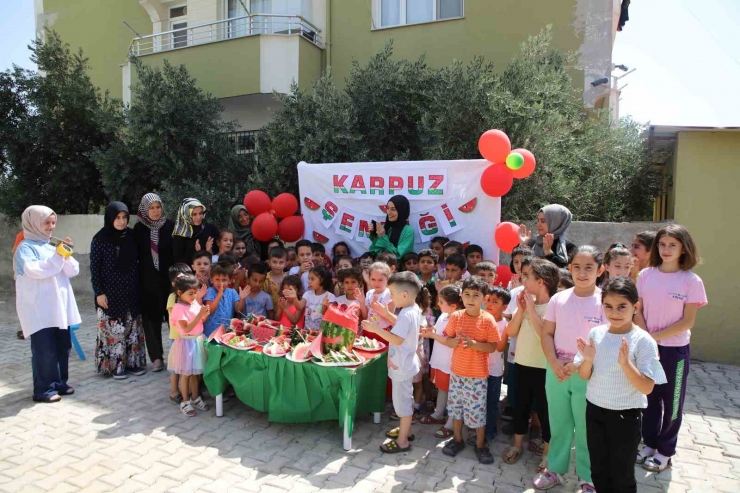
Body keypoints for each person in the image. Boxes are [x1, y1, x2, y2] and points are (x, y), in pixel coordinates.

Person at [575, 277, 667, 493]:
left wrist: (625, 364)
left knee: (621, 474)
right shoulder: (596, 334)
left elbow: (647, 388)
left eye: (622, 306)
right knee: (598, 468)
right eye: (608, 306)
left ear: (636, 306)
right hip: (595, 411)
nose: (614, 312)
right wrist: (587, 359)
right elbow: (583, 375)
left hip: (626, 416)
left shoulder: (644, 341)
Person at [634, 224, 707, 473]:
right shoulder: (645, 275)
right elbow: (638, 310)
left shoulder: (691, 281)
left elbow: (687, 321)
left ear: (684, 249)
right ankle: (649, 444)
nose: (666, 250)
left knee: (672, 402)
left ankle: (666, 451)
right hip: (648, 348)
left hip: (675, 351)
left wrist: (655, 337)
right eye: (662, 244)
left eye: (672, 245)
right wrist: (647, 338)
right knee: (650, 399)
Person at [536, 246, 606, 492]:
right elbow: (547, 333)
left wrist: (577, 364)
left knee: (586, 427)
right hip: (556, 371)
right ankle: (555, 469)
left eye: (589, 268)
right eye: (577, 267)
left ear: (601, 270)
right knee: (559, 423)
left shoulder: (604, 302)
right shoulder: (559, 299)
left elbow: (604, 341)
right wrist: (554, 363)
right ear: (570, 268)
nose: (582, 273)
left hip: (588, 373)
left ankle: (588, 477)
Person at [423, 276, 499, 464]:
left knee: (477, 413)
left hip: (477, 376)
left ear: (484, 298)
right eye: (467, 294)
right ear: (461, 296)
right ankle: (457, 440)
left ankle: (481, 445)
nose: (471, 299)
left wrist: (473, 344)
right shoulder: (456, 317)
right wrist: (451, 341)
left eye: (476, 295)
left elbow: (492, 347)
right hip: (456, 374)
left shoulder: (488, 320)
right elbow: (447, 339)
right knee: (456, 410)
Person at [15, 205, 81, 403]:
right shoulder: (25, 248)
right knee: (45, 350)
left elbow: (73, 270)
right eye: (46, 222)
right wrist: (58, 256)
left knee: (62, 347)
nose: (51, 226)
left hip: (59, 308)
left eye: (53, 223)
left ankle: (60, 383)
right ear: (33, 222)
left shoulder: (51, 245)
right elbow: (35, 270)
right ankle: (43, 390)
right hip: (39, 309)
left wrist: (65, 254)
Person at [502, 258, 558, 472]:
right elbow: (511, 332)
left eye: (527, 276)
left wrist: (532, 310)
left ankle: (547, 452)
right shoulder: (525, 302)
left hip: (545, 367)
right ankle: (517, 445)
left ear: (541, 281)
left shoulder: (554, 305)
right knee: (520, 407)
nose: (522, 279)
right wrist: (520, 310)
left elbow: (545, 334)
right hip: (522, 363)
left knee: (545, 412)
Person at [362, 272, 427, 454]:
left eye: (392, 293)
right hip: (405, 363)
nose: (390, 297)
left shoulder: (407, 314)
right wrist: (386, 313)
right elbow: (401, 326)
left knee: (403, 404)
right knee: (405, 400)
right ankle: (405, 429)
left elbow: (397, 339)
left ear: (404, 295)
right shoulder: (412, 310)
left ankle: (403, 441)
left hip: (402, 366)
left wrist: (376, 329)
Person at [91, 202, 146, 379]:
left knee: (132, 328)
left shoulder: (131, 236)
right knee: (114, 330)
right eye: (118, 218)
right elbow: (95, 268)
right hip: (110, 293)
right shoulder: (100, 239)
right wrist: (99, 292)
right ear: (110, 218)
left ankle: (132, 363)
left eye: (124, 218)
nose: (122, 222)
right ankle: (115, 366)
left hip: (131, 291)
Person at [134, 192, 175, 372]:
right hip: (147, 282)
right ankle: (157, 357)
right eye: (151, 208)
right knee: (151, 321)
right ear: (145, 209)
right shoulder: (138, 230)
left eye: (158, 207)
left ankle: (177, 356)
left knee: (174, 318)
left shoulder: (171, 227)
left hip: (169, 281)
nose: (156, 211)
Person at [421, 285, 462, 438]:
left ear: (453, 306)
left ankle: (451, 423)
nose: (438, 305)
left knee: (453, 393)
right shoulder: (444, 316)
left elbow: (451, 341)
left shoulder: (458, 319)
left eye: (442, 302)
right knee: (442, 389)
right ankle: (439, 413)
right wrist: (430, 331)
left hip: (450, 363)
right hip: (440, 361)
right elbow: (439, 333)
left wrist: (432, 336)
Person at [168, 274, 210, 416]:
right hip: (186, 343)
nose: (194, 296)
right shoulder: (179, 308)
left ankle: (195, 397)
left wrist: (205, 314)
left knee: (194, 374)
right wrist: (199, 316)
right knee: (186, 374)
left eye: (196, 292)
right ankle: (184, 402)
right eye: (190, 293)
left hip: (197, 341)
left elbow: (200, 321)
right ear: (180, 293)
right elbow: (186, 328)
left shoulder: (194, 303)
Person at [500, 245, 533, 424]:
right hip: (515, 343)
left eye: (524, 263)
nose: (520, 266)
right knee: (514, 377)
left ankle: (530, 415)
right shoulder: (513, 291)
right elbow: (507, 315)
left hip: (534, 349)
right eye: (517, 262)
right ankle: (514, 406)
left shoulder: (542, 291)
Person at [480, 285, 510, 445]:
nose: (489, 304)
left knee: (491, 402)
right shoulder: (480, 318)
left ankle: (489, 431)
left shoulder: (504, 325)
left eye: (495, 301)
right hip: (476, 369)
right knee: (478, 401)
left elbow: (499, 347)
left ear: (504, 307)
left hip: (493, 371)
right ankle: (477, 428)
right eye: (487, 300)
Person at [166, 263, 197, 403]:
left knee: (187, 366)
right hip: (177, 336)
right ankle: (174, 391)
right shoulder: (173, 298)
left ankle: (190, 392)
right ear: (174, 283)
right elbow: (177, 318)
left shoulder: (190, 297)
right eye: (181, 278)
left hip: (188, 337)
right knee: (176, 367)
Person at [284, 265, 335, 331]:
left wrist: (324, 306)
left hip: (321, 334)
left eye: (312, 279)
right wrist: (294, 298)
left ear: (322, 280)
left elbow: (328, 317)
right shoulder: (307, 294)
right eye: (309, 278)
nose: (309, 281)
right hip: (307, 332)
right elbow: (299, 307)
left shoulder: (330, 297)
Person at [172, 198, 219, 265]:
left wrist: (209, 251)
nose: (199, 217)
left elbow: (217, 252)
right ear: (186, 214)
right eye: (194, 214)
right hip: (187, 273)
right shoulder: (180, 234)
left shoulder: (211, 229)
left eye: (200, 213)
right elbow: (178, 259)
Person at [203, 263, 243, 338]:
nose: (221, 283)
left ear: (230, 280)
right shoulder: (210, 291)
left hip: (226, 332)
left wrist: (242, 298)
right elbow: (210, 310)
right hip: (210, 332)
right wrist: (219, 295)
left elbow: (238, 310)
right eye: (217, 279)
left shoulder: (232, 292)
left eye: (224, 280)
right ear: (211, 280)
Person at [364, 262, 394, 341]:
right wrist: (360, 302)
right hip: (368, 330)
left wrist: (378, 308)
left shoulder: (390, 294)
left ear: (388, 279)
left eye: (380, 280)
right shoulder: (369, 293)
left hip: (383, 332)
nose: (376, 283)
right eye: (373, 279)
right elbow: (366, 314)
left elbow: (391, 319)